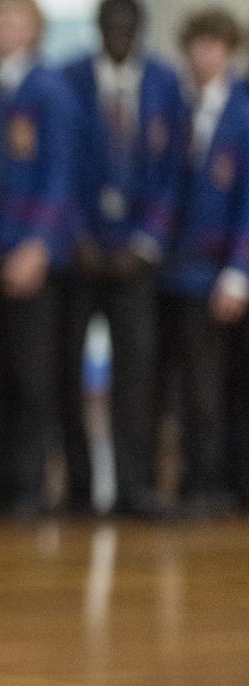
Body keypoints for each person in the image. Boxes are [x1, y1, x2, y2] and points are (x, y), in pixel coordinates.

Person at [58, 0, 183, 517]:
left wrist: (145, 241)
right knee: (67, 369)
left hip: (137, 258)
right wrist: (77, 234)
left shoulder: (163, 83)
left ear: (141, 32)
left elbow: (174, 169)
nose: (119, 36)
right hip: (80, 255)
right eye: (110, 27)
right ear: (98, 29)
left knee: (138, 373)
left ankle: (135, 485)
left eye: (129, 28)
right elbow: (58, 163)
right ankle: (81, 486)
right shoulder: (68, 79)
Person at [0, 0, 75, 517]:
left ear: (35, 29)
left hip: (28, 254)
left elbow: (60, 174)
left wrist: (38, 243)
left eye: (18, 19)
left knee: (34, 377)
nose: (6, 28)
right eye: (0, 19)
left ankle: (34, 486)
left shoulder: (47, 89)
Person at [157, 8, 249, 518]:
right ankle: (190, 477)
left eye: (215, 45)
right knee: (183, 384)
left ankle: (212, 482)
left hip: (218, 273)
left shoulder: (242, 112)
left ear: (229, 50)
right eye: (198, 44)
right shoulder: (177, 106)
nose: (204, 55)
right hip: (175, 270)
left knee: (213, 387)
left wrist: (238, 271)